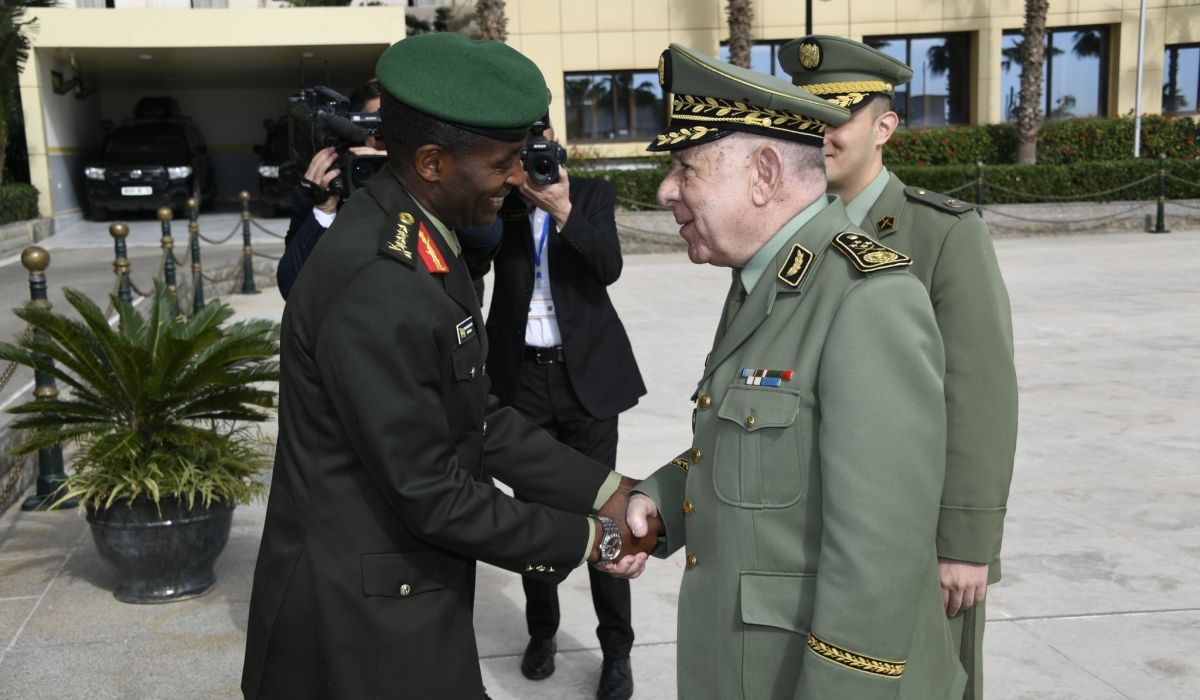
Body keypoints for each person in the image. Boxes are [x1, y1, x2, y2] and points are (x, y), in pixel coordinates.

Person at [241, 34, 661, 700]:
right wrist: (593, 538)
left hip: (401, 593)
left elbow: (475, 415)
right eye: (502, 163)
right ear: (433, 162)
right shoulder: (380, 280)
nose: (518, 178)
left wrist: (605, 489)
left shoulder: (423, 237)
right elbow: (432, 492)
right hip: (355, 626)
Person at [615, 43, 967, 699]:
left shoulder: (865, 299)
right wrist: (659, 499)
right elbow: (751, 450)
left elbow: (879, 550)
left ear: (765, 173)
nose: (665, 190)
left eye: (685, 168)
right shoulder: (765, 281)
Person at [780, 35, 1019, 700]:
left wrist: (966, 542)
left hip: (913, 539)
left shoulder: (942, 233)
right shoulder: (789, 235)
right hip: (811, 532)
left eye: (835, 118)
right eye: (803, 118)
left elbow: (979, 395)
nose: (816, 135)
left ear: (883, 127)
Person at [485, 120, 646, 700]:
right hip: (522, 379)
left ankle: (617, 652)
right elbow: (471, 254)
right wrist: (503, 188)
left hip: (587, 383)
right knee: (534, 517)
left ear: (559, 148)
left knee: (608, 514)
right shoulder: (501, 204)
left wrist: (562, 208)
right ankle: (543, 633)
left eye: (543, 147)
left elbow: (608, 266)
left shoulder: (593, 195)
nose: (536, 158)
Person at [276, 79, 384, 299]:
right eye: (377, 125)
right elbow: (291, 285)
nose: (388, 137)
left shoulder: (425, 180)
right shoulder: (325, 187)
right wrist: (324, 210)